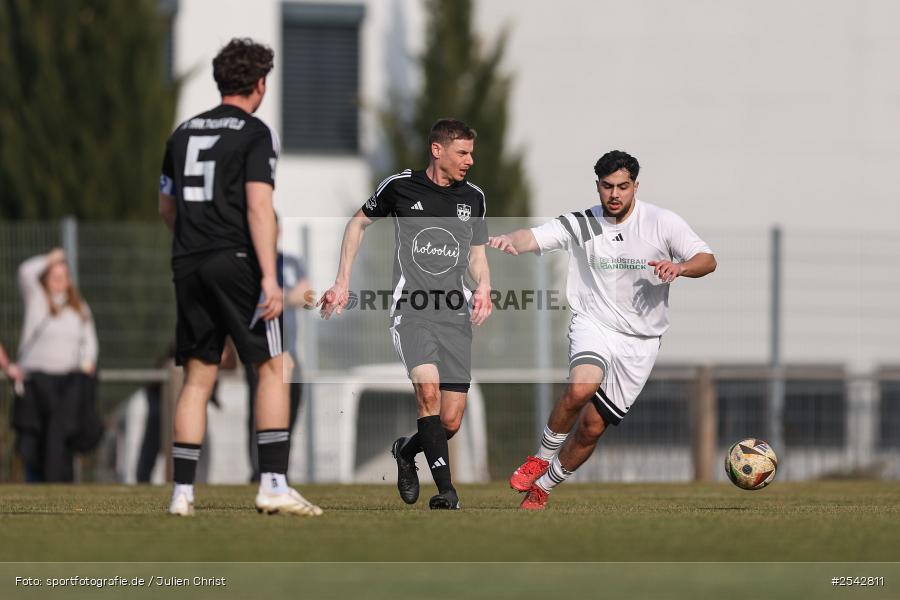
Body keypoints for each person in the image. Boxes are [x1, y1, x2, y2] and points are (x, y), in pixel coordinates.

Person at [488, 150, 717, 509]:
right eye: (607, 187)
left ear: (635, 186)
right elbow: (532, 236)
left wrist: (681, 268)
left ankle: (544, 487)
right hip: (593, 324)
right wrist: (509, 241)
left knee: (593, 428)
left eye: (623, 187)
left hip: (640, 342)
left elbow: (708, 260)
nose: (615, 195)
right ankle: (540, 457)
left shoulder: (661, 222)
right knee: (581, 387)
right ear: (597, 186)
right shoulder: (583, 223)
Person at [158, 37, 321, 516]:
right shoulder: (256, 132)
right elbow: (258, 206)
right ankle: (272, 482)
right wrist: (269, 277)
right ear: (260, 83)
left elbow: (166, 207)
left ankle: (182, 494)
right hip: (237, 261)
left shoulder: (181, 133)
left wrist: (193, 242)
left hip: (187, 261)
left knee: (197, 377)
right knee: (274, 366)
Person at [318, 118, 492, 510]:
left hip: (455, 316)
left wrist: (484, 286)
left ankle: (405, 451)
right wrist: (342, 282)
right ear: (437, 150)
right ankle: (446, 491)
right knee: (427, 391)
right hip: (411, 312)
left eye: (471, 153)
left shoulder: (474, 198)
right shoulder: (400, 186)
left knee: (450, 421)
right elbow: (357, 223)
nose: (470, 160)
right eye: (463, 153)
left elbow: (477, 257)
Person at [13, 248, 99, 482]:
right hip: (36, 383)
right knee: (35, 437)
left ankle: (60, 480)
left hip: (67, 384)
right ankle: (35, 482)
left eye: (64, 276)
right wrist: (51, 258)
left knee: (60, 437)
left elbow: (89, 340)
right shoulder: (37, 299)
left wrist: (87, 361)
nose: (60, 281)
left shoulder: (78, 306)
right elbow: (25, 271)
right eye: (55, 276)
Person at [244, 217, 309, 481]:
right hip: (260, 350)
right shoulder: (247, 262)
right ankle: (260, 470)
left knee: (290, 407)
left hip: (289, 352)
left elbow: (307, 294)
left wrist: (279, 297)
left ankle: (279, 467)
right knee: (259, 408)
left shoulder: (290, 262)